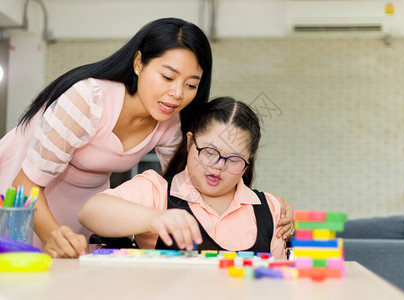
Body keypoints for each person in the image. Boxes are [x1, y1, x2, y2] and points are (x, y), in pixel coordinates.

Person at [0, 18, 293, 258]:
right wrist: (51, 233)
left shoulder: (169, 122)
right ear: (139, 63)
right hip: (23, 192)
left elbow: (191, 182)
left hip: (84, 201)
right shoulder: (87, 100)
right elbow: (27, 184)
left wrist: (266, 203)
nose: (178, 93)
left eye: (191, 84)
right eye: (167, 77)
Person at [79, 97, 286, 259]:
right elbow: (90, 212)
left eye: (233, 159)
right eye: (210, 152)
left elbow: (280, 283)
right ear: (189, 143)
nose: (218, 166)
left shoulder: (270, 209)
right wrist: (154, 218)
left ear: (248, 160)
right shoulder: (158, 191)